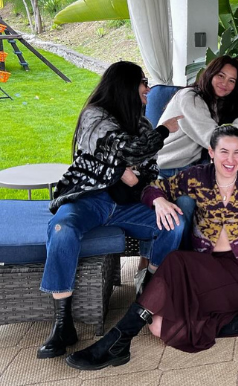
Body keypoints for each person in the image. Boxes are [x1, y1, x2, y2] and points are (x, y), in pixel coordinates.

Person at [65, 126, 238, 371]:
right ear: (211, 153)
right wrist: (158, 200)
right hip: (205, 272)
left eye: (237, 153)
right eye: (224, 152)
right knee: (158, 327)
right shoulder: (196, 177)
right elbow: (155, 187)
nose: (231, 160)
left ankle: (118, 340)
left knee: (176, 262)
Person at [37, 61, 184, 360]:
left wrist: (137, 182)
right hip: (88, 200)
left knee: (173, 224)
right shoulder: (94, 116)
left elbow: (145, 171)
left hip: (126, 205)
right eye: (143, 82)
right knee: (62, 230)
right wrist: (163, 131)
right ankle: (62, 324)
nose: (148, 89)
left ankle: (147, 295)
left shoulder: (140, 125)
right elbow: (127, 151)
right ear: (126, 86)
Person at [152, 56, 238, 255]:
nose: (225, 83)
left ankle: (189, 264)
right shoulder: (190, 97)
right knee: (184, 209)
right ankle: (170, 263)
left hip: (189, 170)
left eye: (232, 81)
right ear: (210, 73)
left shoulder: (215, 103)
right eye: (221, 76)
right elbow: (217, 139)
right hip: (163, 170)